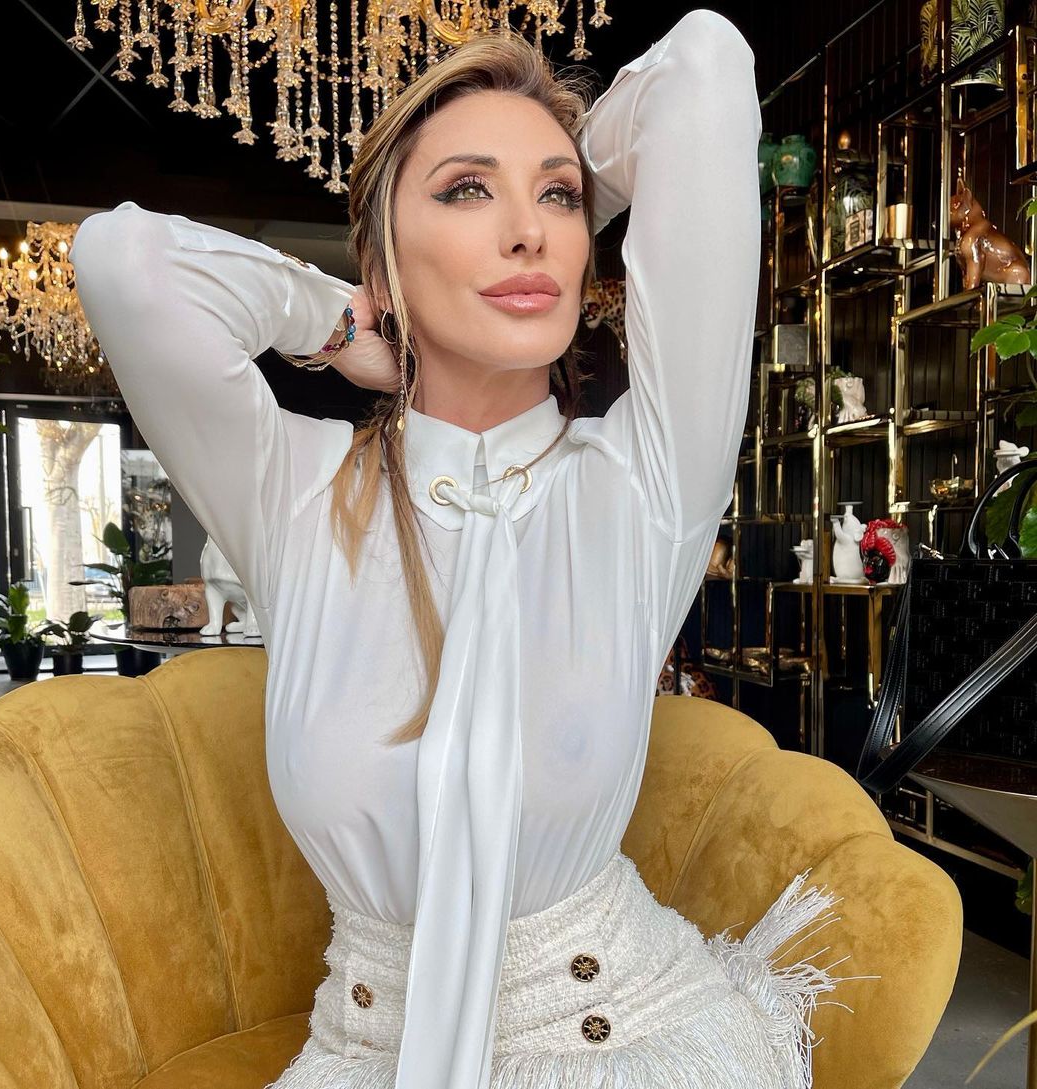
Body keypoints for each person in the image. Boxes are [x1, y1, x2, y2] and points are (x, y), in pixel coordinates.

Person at [71, 9, 870, 1088]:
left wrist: (583, 174)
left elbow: (706, 67)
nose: (528, 232)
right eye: (465, 191)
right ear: (385, 256)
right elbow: (124, 261)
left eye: (557, 197)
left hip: (629, 1044)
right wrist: (342, 323)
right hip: (362, 1055)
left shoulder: (643, 483)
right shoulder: (296, 493)